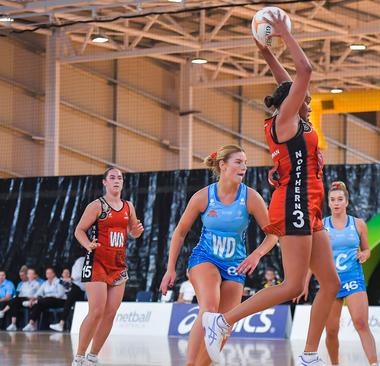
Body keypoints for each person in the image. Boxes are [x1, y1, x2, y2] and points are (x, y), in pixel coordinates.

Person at [196, 12, 340, 366]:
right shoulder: (287, 121)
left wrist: (267, 52)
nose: (308, 97)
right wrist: (285, 35)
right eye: (302, 97)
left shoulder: (292, 115)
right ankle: (222, 322)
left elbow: (289, 83)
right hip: (294, 203)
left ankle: (308, 355)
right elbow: (303, 73)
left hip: (310, 205)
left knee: (331, 284)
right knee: (293, 285)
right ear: (292, 102)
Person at [159, 145, 279, 366]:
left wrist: (256, 255)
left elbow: (273, 235)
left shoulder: (251, 197)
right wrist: (170, 269)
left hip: (235, 265)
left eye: (245, 162)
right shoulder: (203, 196)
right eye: (238, 162)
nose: (244, 167)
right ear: (223, 165)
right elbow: (180, 232)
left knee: (226, 324)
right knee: (210, 309)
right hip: (205, 259)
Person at [72, 167, 144, 366]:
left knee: (111, 312)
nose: (116, 180)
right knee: (96, 311)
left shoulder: (128, 206)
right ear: (104, 182)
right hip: (97, 262)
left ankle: (93, 356)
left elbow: (132, 232)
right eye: (112, 177)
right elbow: (79, 230)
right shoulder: (97, 206)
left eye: (119, 178)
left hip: (118, 264)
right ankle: (78, 357)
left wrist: (137, 231)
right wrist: (88, 245)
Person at [321, 181, 378, 366]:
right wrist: (304, 282)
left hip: (353, 277)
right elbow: (314, 256)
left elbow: (367, 249)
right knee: (331, 330)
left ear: (347, 202)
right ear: (328, 203)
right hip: (331, 282)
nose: (336, 203)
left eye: (340, 199)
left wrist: (364, 254)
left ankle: (374, 363)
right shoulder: (321, 226)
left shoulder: (358, 224)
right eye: (332, 200)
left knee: (361, 323)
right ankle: (335, 363)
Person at [50, 256, 87, 332]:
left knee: (70, 304)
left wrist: (71, 279)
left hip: (78, 286)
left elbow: (80, 273)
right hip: (80, 287)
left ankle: (62, 324)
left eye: (67, 273)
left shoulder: (81, 260)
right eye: (64, 273)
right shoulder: (81, 260)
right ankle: (70, 325)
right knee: (74, 306)